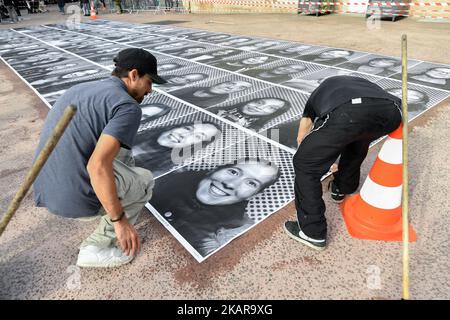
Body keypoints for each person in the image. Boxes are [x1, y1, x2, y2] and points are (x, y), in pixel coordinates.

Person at [33, 48, 167, 268]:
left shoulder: (81, 88)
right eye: (149, 81)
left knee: (123, 153)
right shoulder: (127, 107)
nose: (150, 90)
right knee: (144, 182)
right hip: (72, 200)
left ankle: (111, 202)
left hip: (47, 190)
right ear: (133, 75)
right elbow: (97, 166)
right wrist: (119, 220)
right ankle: (96, 247)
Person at [284, 76, 402, 251]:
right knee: (358, 138)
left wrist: (316, 156)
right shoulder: (353, 83)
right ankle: (342, 188)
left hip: (350, 111)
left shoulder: (315, 98)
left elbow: (304, 130)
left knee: (305, 163)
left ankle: (312, 232)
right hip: (392, 113)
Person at [150, 158, 280, 256]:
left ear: (253, 195)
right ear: (214, 169)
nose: (229, 184)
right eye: (234, 172)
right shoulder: (160, 177)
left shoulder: (233, 229)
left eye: (251, 183)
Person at [132, 122, 222, 177]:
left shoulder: (159, 170)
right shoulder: (133, 130)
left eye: (198, 136)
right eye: (188, 128)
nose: (184, 134)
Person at [208, 97, 291, 131]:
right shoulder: (219, 109)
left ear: (273, 113)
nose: (259, 107)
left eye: (271, 108)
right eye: (259, 102)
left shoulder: (255, 127)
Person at [170, 80, 253, 108]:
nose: (230, 87)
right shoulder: (193, 87)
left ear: (236, 92)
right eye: (231, 83)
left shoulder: (215, 102)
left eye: (240, 88)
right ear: (222, 82)